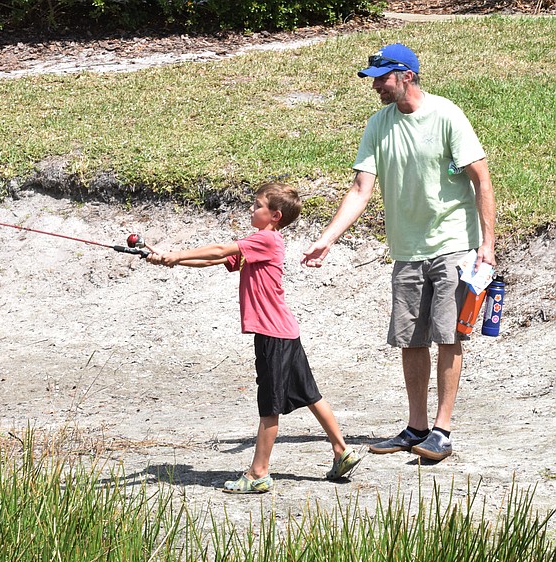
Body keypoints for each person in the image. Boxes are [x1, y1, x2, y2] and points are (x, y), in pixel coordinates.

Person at [301, 43, 497, 462]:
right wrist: (329, 236)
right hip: (406, 249)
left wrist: (487, 245)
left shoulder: (447, 115)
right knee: (411, 338)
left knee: (447, 336)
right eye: (374, 78)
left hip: (453, 245)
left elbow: (482, 180)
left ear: (407, 75)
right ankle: (416, 427)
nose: (376, 86)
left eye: (383, 78)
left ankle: (442, 431)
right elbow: (360, 189)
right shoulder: (378, 125)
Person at [147, 182, 361, 493]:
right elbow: (216, 260)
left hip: (273, 335)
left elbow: (221, 250)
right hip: (285, 331)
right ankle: (343, 451)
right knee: (310, 394)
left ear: (274, 215)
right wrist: (171, 260)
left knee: (269, 405)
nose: (251, 208)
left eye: (257, 205)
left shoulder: (266, 240)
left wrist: (175, 254)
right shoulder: (258, 243)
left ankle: (258, 473)